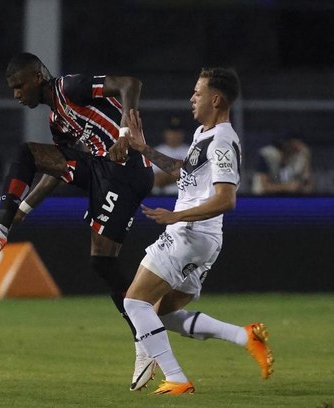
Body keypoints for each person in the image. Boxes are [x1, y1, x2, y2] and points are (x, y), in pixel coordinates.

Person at [0, 52, 154, 366]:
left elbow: (131, 83)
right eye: (12, 89)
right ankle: (145, 341)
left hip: (126, 168)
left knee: (27, 153)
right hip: (103, 171)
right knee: (101, 263)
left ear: (36, 77)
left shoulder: (70, 87)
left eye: (19, 86)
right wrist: (21, 213)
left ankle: (148, 338)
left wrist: (125, 136)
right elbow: (57, 169)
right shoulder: (57, 120)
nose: (16, 95)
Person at [122, 68, 273, 395]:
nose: (192, 98)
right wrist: (143, 148)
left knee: (135, 304)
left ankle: (175, 377)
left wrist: (177, 215)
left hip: (189, 235)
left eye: (198, 93)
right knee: (164, 314)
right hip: (200, 239)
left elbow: (226, 199)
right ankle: (245, 336)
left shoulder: (222, 140)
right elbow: (182, 171)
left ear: (216, 99)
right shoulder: (204, 134)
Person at [151, 116, 189, 195]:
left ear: (183, 133)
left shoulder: (190, 151)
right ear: (165, 133)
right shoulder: (156, 152)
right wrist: (183, 173)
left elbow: (197, 176)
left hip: (186, 196)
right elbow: (155, 180)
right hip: (162, 197)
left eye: (178, 131)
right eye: (171, 131)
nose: (174, 135)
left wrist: (167, 175)